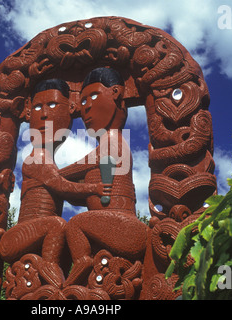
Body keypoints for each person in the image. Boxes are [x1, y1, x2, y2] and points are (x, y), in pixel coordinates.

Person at [0, 78, 110, 288]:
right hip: (17, 239)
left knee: (69, 234)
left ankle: (68, 276)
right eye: (38, 107)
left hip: (35, 237)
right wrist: (93, 188)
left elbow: (64, 187)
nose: (44, 114)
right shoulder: (35, 157)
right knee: (56, 224)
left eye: (52, 105)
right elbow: (61, 185)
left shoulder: (49, 162)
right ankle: (51, 273)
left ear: (70, 109)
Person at [62, 67, 149, 286]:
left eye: (93, 96)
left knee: (75, 224)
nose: (87, 107)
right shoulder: (104, 151)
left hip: (125, 228)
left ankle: (82, 263)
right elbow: (82, 193)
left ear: (117, 93)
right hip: (108, 229)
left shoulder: (112, 141)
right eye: (82, 102)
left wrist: (50, 177)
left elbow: (76, 169)